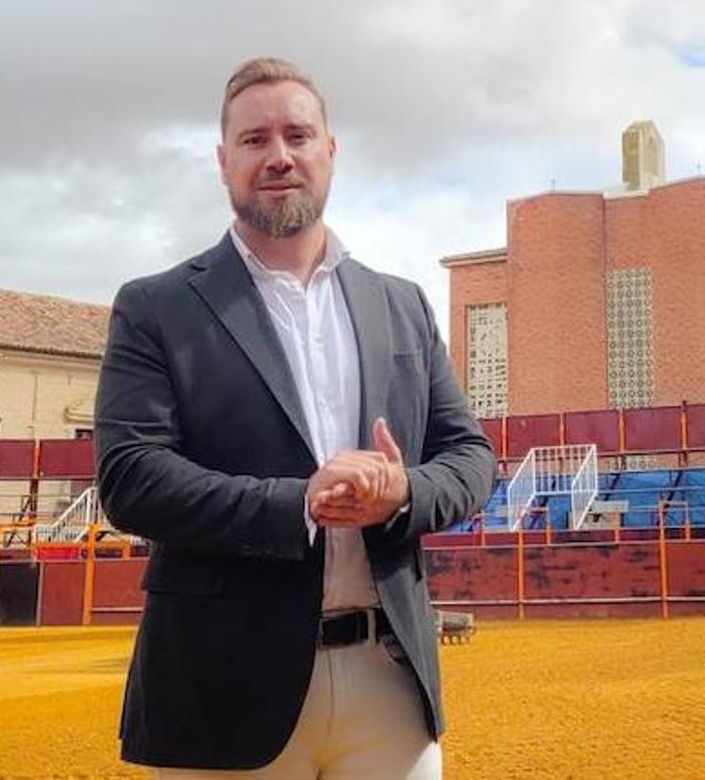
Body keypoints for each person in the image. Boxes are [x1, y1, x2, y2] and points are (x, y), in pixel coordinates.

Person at [94, 57, 496, 779]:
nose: (278, 156)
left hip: (389, 686)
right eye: (254, 141)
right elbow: (131, 477)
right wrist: (300, 502)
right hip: (220, 687)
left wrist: (399, 491)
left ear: (329, 151)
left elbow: (468, 455)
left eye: (297, 135)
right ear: (224, 163)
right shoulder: (156, 306)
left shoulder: (401, 302)